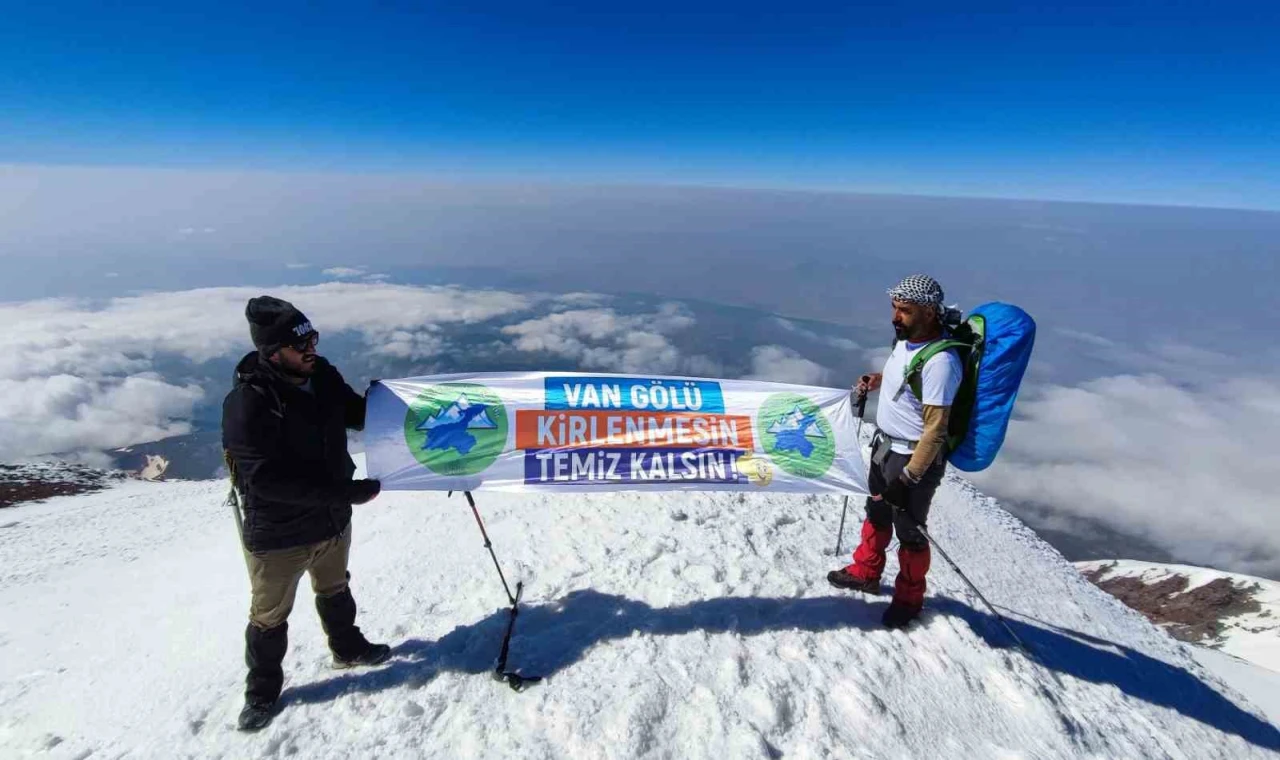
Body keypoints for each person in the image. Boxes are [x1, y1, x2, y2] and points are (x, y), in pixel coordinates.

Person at [222, 295, 388, 731]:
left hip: (332, 518)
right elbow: (263, 481)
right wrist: (342, 493)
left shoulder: (322, 375)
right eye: (301, 345)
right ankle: (261, 693)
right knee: (269, 615)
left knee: (335, 587)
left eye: (313, 338)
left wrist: (392, 401)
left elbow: (356, 414)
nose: (311, 350)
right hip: (278, 534)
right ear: (272, 353)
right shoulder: (248, 402)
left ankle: (347, 648)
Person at [828, 275, 963, 629]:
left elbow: (936, 429)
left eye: (905, 310)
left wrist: (909, 477)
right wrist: (877, 380)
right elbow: (905, 380)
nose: (895, 316)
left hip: (910, 459)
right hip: (884, 448)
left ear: (930, 312)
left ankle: (908, 599)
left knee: (910, 531)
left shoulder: (941, 364)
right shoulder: (907, 343)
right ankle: (866, 572)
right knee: (876, 510)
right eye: (895, 307)